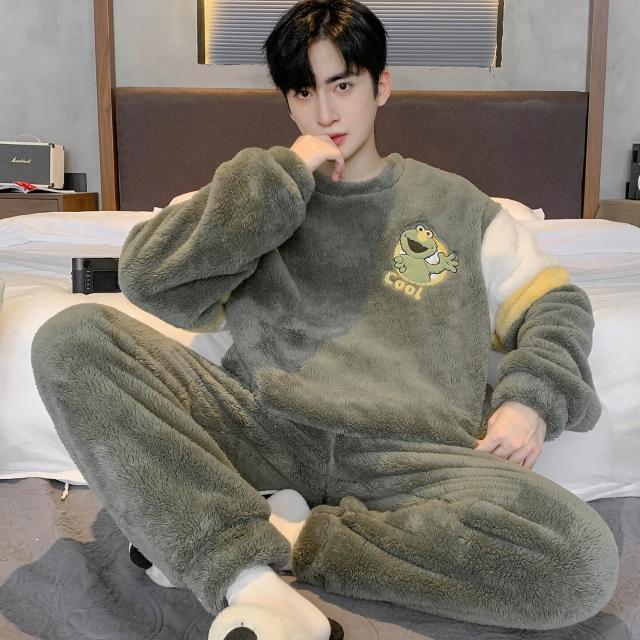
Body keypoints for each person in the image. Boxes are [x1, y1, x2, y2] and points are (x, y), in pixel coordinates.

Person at [31, 1, 619, 638]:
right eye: (305, 92)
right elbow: (149, 280)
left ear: (381, 87)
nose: (327, 113)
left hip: (409, 454)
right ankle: (242, 575)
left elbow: (556, 305)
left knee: (580, 562)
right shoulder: (258, 191)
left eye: (343, 86)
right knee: (71, 338)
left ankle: (287, 534)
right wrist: (280, 179)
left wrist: (531, 397)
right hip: (263, 427)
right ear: (289, 104)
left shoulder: (460, 208)